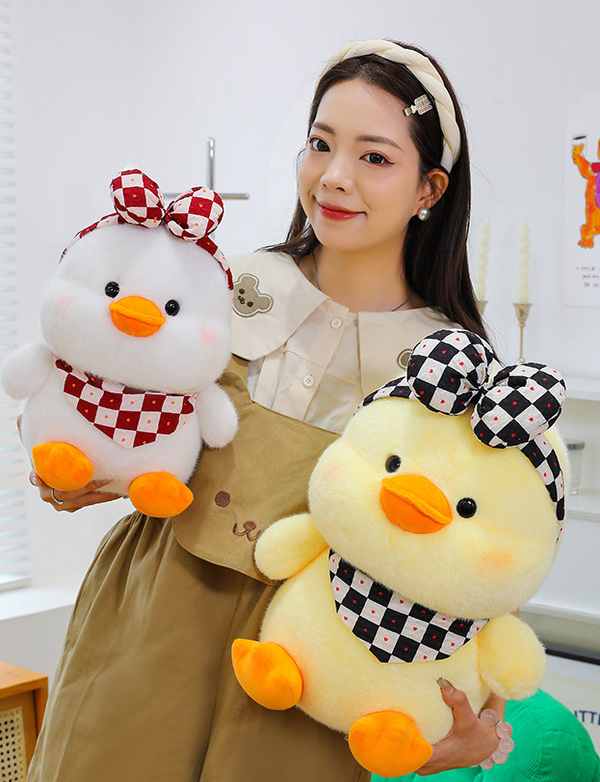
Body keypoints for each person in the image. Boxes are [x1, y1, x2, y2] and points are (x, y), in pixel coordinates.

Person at [27, 40, 509, 782]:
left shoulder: (453, 365)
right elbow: (105, 395)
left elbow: (481, 556)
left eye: (374, 157)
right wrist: (72, 472)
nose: (335, 176)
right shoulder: (217, 285)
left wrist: (481, 720)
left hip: (310, 667)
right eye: (321, 143)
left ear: (429, 189)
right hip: (149, 617)